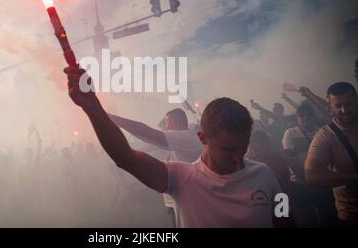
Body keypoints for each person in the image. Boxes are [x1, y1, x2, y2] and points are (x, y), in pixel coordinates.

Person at [64, 66, 293, 227]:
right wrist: (92, 107)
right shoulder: (180, 177)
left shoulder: (265, 174)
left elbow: (284, 218)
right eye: (228, 150)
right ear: (202, 138)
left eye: (241, 148)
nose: (237, 158)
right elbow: (125, 157)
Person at [305, 82, 358, 227]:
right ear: (330, 108)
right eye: (338, 106)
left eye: (349, 104)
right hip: (352, 216)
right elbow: (312, 176)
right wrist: (355, 177)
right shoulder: (325, 136)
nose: (344, 110)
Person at [282, 103, 336, 226]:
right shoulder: (290, 133)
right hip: (299, 183)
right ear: (297, 117)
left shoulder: (322, 132)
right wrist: (306, 179)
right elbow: (289, 158)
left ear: (313, 116)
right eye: (301, 116)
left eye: (308, 115)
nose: (305, 118)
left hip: (321, 181)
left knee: (326, 217)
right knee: (307, 219)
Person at [247, 130, 290, 194]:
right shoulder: (247, 161)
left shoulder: (277, 159)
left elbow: (284, 180)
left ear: (266, 145)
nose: (255, 152)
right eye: (251, 148)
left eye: (257, 149)